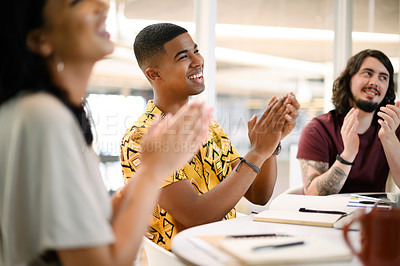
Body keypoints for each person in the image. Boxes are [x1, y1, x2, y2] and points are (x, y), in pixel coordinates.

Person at [0, 1, 212, 266]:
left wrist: (147, 169)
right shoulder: (43, 118)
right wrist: (152, 173)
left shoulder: (54, 113)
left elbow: (93, 222)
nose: (101, 5)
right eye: (75, 3)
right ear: (41, 39)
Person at [120, 22, 300, 250]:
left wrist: (271, 144)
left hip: (225, 248)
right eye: (183, 57)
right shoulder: (141, 138)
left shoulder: (208, 127)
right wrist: (257, 152)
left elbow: (258, 194)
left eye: (196, 51)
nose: (198, 61)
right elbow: (197, 217)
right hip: (187, 258)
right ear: (154, 74)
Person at [297, 49, 400, 196]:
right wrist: (348, 155)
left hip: (372, 216)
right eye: (367, 73)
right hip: (326, 217)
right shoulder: (318, 129)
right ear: (349, 79)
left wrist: (389, 138)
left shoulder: (392, 129)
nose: (374, 82)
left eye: (383, 77)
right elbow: (313, 193)